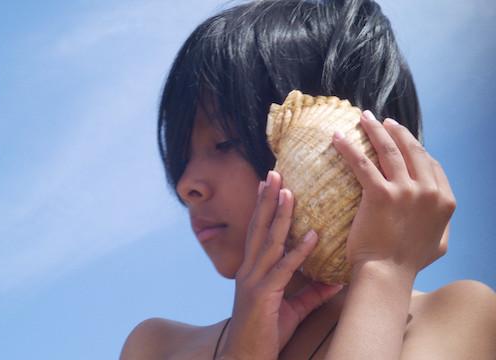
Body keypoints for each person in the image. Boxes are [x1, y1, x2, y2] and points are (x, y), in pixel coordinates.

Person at [121, 0, 496, 358]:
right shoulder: (157, 347)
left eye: (225, 143)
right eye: (182, 156)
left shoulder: (459, 318)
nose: (187, 185)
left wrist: (383, 270)